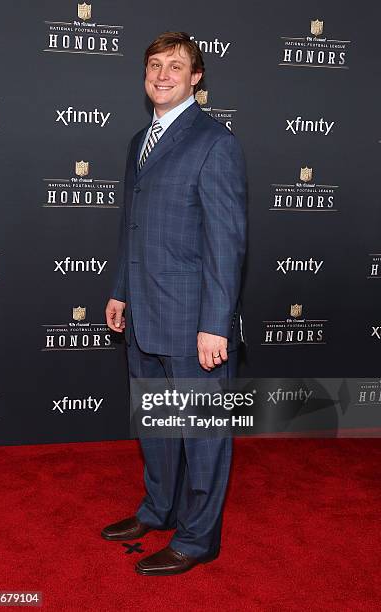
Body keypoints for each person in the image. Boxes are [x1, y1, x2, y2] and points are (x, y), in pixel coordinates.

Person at [103, 31, 247, 576]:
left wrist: (215, 325)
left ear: (196, 77)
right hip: (142, 312)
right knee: (157, 425)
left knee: (202, 432)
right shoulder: (140, 140)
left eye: (176, 66)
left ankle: (198, 536)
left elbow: (226, 242)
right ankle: (157, 509)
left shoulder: (215, 142)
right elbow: (130, 227)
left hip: (193, 322)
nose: (162, 74)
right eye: (155, 65)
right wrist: (120, 288)